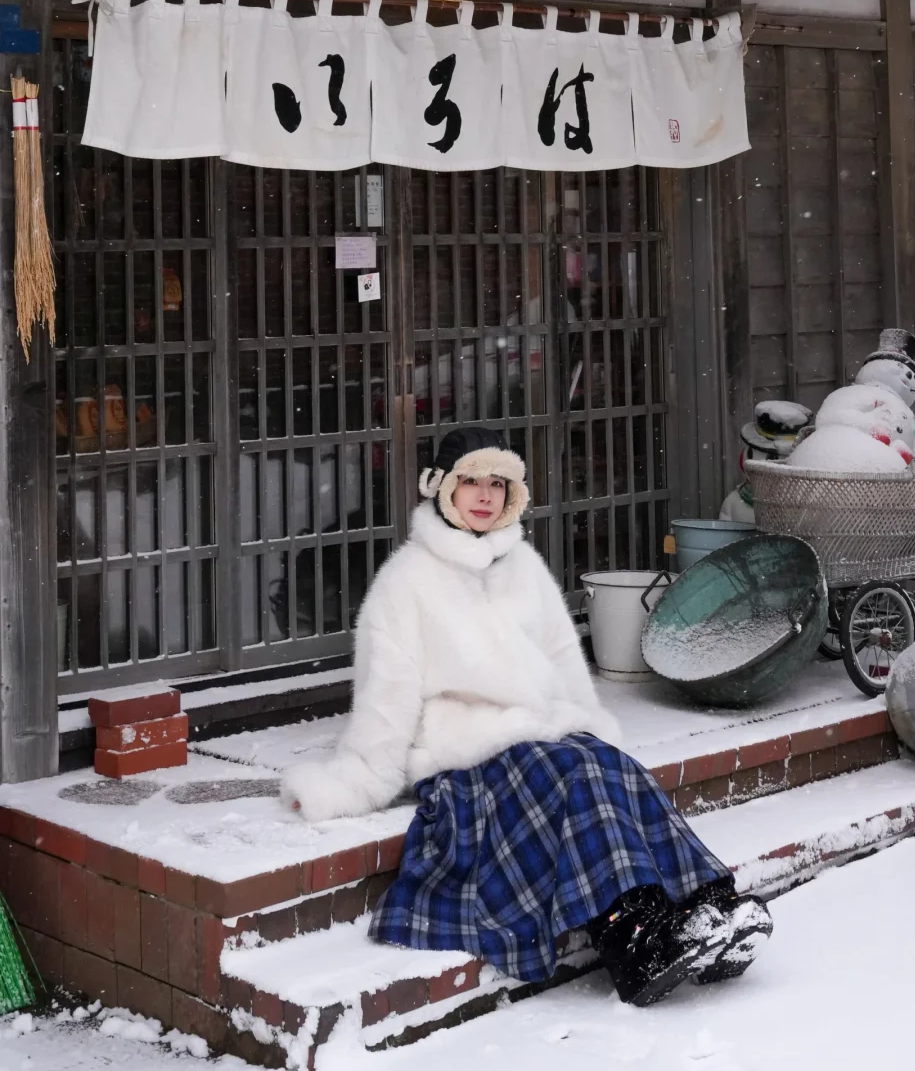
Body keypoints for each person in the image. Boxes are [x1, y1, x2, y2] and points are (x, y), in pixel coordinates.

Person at [283, 426, 772, 1006]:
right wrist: (352, 781)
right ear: (441, 488)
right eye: (471, 482)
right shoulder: (406, 581)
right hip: (464, 757)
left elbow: (564, 658)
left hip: (537, 738)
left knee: (607, 765)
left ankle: (705, 909)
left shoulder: (524, 566)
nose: (485, 495)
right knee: (573, 774)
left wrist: (583, 724)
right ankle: (636, 942)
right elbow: (385, 698)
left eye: (498, 483)